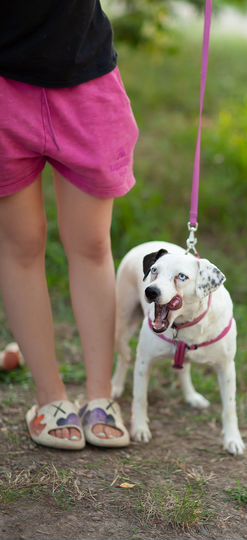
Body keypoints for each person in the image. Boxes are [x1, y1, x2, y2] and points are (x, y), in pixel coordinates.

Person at [0, 0, 139, 449]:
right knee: (21, 244)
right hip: (4, 85)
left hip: (86, 81)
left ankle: (101, 397)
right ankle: (51, 400)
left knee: (92, 244)